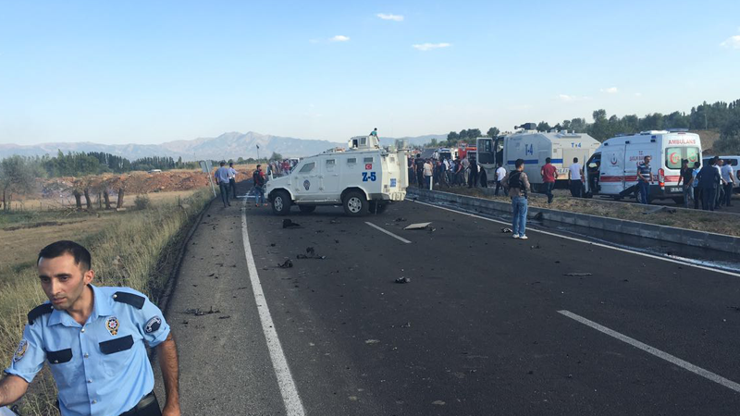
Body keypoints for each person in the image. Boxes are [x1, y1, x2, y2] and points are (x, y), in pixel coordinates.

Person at [0, 241, 180, 416]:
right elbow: (19, 377)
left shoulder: (129, 307)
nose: (54, 290)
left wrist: (172, 405)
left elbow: (164, 341)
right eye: (46, 280)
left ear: (88, 276)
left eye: (64, 278)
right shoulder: (40, 324)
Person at [502, 159, 531, 240]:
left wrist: (509, 187)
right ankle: (522, 234)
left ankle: (515, 233)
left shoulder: (511, 174)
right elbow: (527, 186)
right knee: (522, 216)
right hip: (522, 197)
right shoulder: (523, 175)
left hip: (513, 197)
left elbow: (502, 181)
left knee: (515, 215)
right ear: (521, 165)